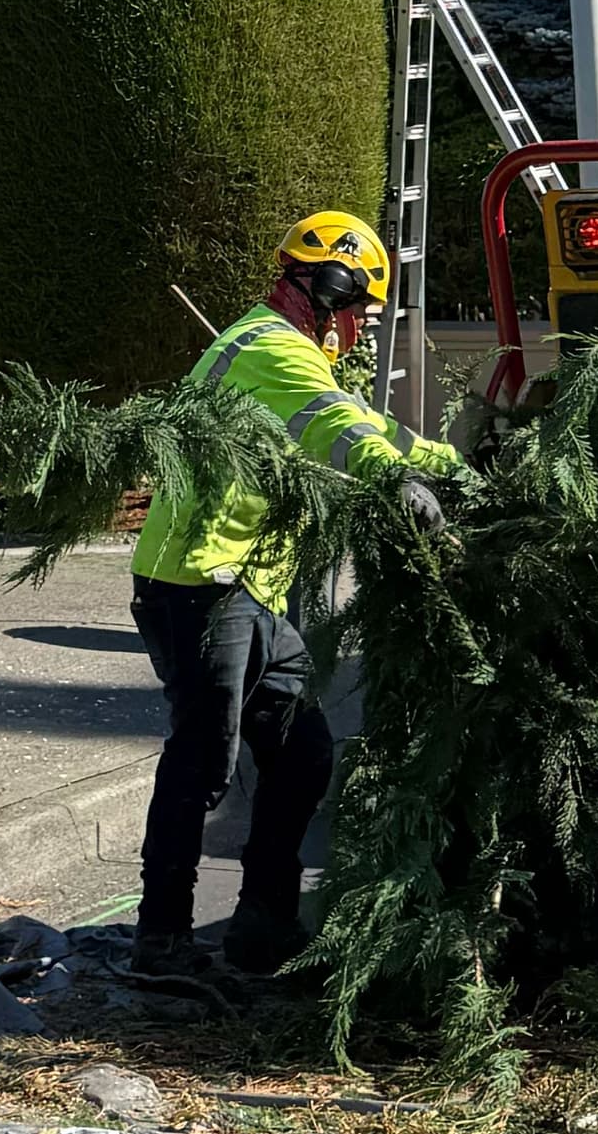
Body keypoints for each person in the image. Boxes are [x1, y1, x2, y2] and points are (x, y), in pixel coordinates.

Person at [127, 210, 461, 983]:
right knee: (202, 763)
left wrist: (454, 462)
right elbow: (336, 427)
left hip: (246, 586)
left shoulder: (279, 346)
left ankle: (263, 921)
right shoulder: (271, 349)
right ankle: (161, 940)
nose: (361, 328)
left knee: (302, 750)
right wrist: (392, 480)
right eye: (362, 310)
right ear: (334, 285)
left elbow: (368, 421)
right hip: (199, 584)